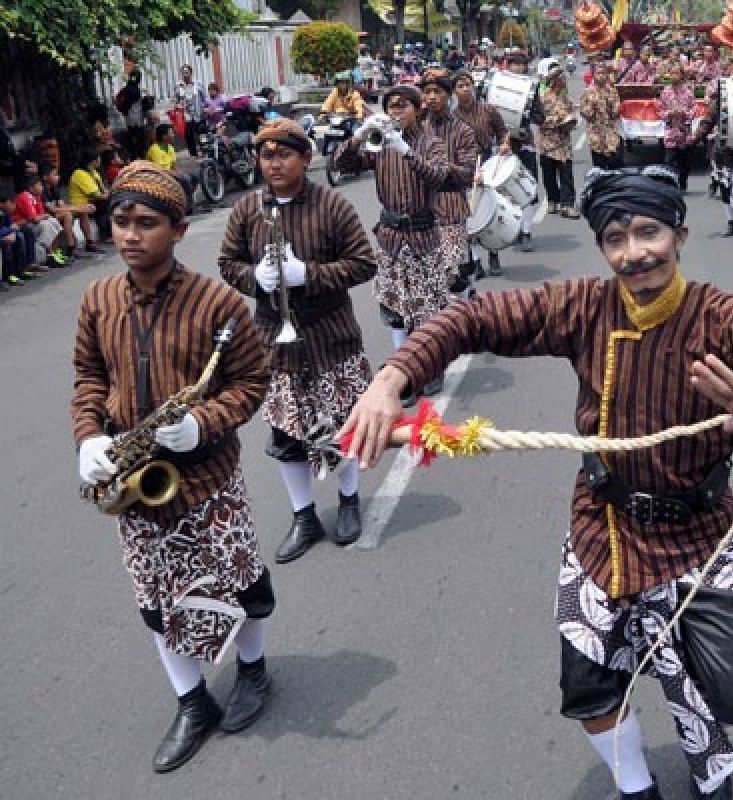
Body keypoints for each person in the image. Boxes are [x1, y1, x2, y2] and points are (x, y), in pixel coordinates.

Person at [339, 165, 733, 800]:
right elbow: (469, 319)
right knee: (589, 680)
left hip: (699, 535)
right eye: (616, 240)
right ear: (601, 248)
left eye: (648, 233)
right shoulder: (583, 307)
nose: (634, 253)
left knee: (719, 688)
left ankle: (712, 775)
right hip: (604, 530)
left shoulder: (720, 313)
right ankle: (635, 785)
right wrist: (390, 379)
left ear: (677, 234)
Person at [70, 161, 273, 773]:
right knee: (155, 600)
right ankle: (191, 702)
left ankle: (254, 671)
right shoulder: (97, 296)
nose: (129, 235)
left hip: (207, 478)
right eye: (120, 222)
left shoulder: (217, 301)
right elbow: (88, 376)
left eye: (146, 224)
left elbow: (254, 380)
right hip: (133, 485)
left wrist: (204, 423)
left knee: (243, 590)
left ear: (180, 230)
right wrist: (86, 438)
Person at [218, 118, 377, 563]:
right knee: (287, 436)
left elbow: (364, 264)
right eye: (266, 156)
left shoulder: (333, 205)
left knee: (342, 428)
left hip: (331, 338)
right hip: (276, 342)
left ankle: (348, 501)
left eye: (284, 155)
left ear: (306, 159)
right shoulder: (248, 210)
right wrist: (256, 278)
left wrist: (308, 274)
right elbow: (227, 262)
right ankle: (303, 516)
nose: (274, 164)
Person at [334, 85, 450, 392]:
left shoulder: (431, 143)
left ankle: (431, 365)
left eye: (403, 105)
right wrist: (359, 135)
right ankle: (404, 372)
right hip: (391, 237)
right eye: (391, 106)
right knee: (395, 309)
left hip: (423, 236)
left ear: (417, 109)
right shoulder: (379, 143)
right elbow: (342, 166)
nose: (396, 111)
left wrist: (407, 152)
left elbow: (439, 178)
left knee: (427, 308)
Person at [422, 69, 479, 326]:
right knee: (428, 276)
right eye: (427, 92)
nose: (432, 97)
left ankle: (469, 303)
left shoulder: (462, 130)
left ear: (448, 95)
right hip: (421, 210)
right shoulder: (417, 127)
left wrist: (441, 166)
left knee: (449, 274)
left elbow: (468, 173)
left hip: (451, 206)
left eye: (438, 92)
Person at [453, 71, 512, 278]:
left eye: (468, 84)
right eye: (460, 86)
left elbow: (503, 132)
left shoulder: (488, 110)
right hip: (463, 168)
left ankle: (494, 255)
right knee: (470, 215)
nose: (465, 89)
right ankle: (476, 262)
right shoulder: (452, 117)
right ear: (454, 91)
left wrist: (504, 145)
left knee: (491, 213)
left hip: (487, 163)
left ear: (473, 86)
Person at [694, 60, 733, 241]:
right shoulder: (721, 97)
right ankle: (731, 222)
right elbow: (708, 120)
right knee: (726, 187)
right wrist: (696, 136)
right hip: (724, 151)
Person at [498, 51, 543, 251]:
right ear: (507, 66)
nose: (517, 68)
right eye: (513, 64)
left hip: (525, 145)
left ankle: (526, 231)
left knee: (528, 187)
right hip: (503, 146)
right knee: (503, 191)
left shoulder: (531, 90)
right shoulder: (498, 87)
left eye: (520, 64)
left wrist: (525, 123)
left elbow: (539, 116)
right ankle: (511, 230)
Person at [537, 65, 580, 218]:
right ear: (554, 81)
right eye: (560, 78)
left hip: (564, 144)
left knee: (566, 175)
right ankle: (552, 200)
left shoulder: (566, 99)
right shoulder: (542, 99)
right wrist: (556, 121)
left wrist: (571, 120)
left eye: (563, 78)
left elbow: (574, 113)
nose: (563, 81)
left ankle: (568, 205)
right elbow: (538, 119)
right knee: (549, 174)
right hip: (547, 143)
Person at [13, 174, 69, 266]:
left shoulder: (37, 197)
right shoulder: (25, 197)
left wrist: (45, 216)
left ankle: (53, 253)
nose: (42, 187)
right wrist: (44, 216)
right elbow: (34, 218)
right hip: (22, 225)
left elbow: (41, 214)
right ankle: (48, 254)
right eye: (39, 185)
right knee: (46, 224)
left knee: (52, 221)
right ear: (31, 188)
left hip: (32, 223)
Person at [145, 123, 200, 214]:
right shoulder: (155, 149)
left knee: (194, 177)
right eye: (171, 133)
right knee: (185, 179)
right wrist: (176, 174)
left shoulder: (170, 147)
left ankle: (184, 201)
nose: (173, 135)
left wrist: (177, 173)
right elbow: (159, 169)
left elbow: (173, 165)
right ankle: (187, 207)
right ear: (164, 136)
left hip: (170, 173)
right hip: (158, 175)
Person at [658, 64, 696, 192]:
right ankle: (669, 186)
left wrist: (684, 113)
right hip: (670, 132)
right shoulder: (665, 92)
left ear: (682, 76)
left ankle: (683, 182)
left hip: (684, 132)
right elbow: (660, 111)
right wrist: (669, 113)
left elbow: (694, 110)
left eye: (677, 73)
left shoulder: (688, 93)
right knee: (669, 161)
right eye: (672, 73)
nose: (674, 76)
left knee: (684, 162)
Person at [579, 62, 623, 171]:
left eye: (604, 73)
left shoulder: (612, 90)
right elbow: (585, 113)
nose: (601, 76)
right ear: (593, 75)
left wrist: (611, 105)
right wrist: (592, 105)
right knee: (600, 169)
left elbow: (616, 111)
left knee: (615, 167)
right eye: (598, 73)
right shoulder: (588, 92)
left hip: (611, 134)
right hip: (596, 136)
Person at [68, 150, 111, 249]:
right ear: (93, 161)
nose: (100, 160)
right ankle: (105, 235)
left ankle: (98, 238)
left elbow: (103, 190)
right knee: (107, 203)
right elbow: (96, 195)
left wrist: (111, 193)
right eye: (98, 158)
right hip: (80, 204)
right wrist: (111, 194)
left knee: (110, 202)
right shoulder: (79, 173)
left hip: (91, 203)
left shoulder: (94, 172)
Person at [0, 191, 43, 285]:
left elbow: (12, 225)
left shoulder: (6, 213)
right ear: (3, 203)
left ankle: (22, 270)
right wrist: (9, 232)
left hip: (6, 234)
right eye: (12, 203)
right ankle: (8, 275)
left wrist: (12, 233)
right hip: (2, 236)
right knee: (5, 243)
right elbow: (9, 228)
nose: (14, 206)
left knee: (23, 234)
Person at [174, 65, 206, 157]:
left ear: (191, 73)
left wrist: (204, 109)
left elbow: (204, 98)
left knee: (201, 135)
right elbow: (176, 99)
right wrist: (177, 105)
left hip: (198, 113)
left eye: (187, 72)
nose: (185, 75)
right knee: (189, 136)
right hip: (186, 115)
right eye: (183, 73)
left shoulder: (198, 84)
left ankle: (204, 152)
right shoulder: (178, 86)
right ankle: (193, 155)